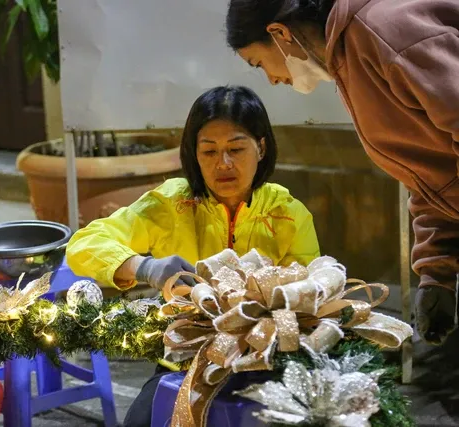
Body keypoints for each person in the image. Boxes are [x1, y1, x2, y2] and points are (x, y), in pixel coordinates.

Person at [66, 85, 320, 427]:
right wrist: (147, 267)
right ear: (194, 154)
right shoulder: (173, 202)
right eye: (209, 151)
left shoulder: (288, 214)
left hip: (266, 361)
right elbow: (84, 244)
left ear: (261, 148)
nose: (223, 163)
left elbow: (310, 297)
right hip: (185, 358)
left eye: (235, 148)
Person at [225, 0, 459, 345]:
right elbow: (429, 172)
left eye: (259, 63)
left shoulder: (387, 31)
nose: (272, 80)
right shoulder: (350, 59)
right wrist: (436, 271)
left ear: (279, 33)